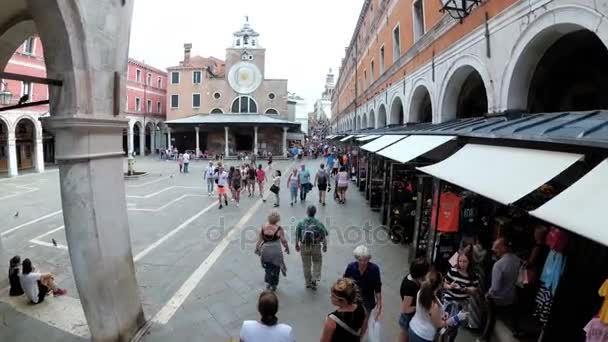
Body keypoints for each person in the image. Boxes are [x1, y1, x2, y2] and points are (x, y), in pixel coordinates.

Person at [478, 237, 521, 342]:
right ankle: (516, 330)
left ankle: (484, 338)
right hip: (511, 296)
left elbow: (495, 288)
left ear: (503, 248)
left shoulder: (498, 265)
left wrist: (488, 294)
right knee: (513, 314)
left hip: (497, 299)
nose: (494, 251)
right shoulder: (517, 260)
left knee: (490, 317)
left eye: (496, 249)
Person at [409, 271, 467, 342]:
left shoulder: (421, 292)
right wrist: (457, 317)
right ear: (439, 285)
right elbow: (439, 324)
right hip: (423, 336)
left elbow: (428, 313)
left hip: (413, 328)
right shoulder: (433, 305)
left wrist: (442, 314)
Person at [443, 252, 479, 342]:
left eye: (465, 261)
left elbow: (475, 290)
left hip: (462, 303)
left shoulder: (473, 275)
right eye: (460, 261)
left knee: (454, 326)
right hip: (450, 301)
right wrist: (449, 286)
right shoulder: (452, 270)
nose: (462, 264)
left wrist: (466, 289)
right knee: (448, 323)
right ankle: (443, 337)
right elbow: (444, 284)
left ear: (470, 262)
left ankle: (448, 339)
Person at [320, 278, 368, 342]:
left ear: (343, 300)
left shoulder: (332, 320)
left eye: (333, 296)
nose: (330, 297)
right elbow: (364, 328)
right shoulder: (362, 308)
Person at [344, 245, 383, 321]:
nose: (363, 262)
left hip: (368, 299)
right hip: (353, 298)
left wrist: (379, 305)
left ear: (369, 259)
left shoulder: (374, 269)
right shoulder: (351, 268)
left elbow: (377, 288)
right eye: (360, 260)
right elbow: (345, 283)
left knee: (364, 321)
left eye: (365, 260)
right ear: (356, 259)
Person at [295, 205, 328, 290]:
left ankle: (308, 282)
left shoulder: (301, 223)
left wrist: (297, 245)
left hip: (304, 246)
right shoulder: (318, 223)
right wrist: (324, 246)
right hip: (316, 246)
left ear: (307, 212)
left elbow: (297, 235)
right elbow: (324, 235)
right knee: (317, 261)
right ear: (315, 212)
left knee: (306, 265)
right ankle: (314, 278)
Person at [255, 211, 290, 291]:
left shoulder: (263, 226)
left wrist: (257, 248)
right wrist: (287, 248)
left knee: (267, 267)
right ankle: (274, 284)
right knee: (276, 267)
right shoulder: (279, 228)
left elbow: (260, 239)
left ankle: (268, 282)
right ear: (277, 219)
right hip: (276, 251)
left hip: (265, 250)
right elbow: (283, 241)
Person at [399, 257, 430, 342]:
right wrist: (419, 307)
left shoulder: (411, 278)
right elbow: (405, 309)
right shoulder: (410, 286)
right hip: (407, 317)